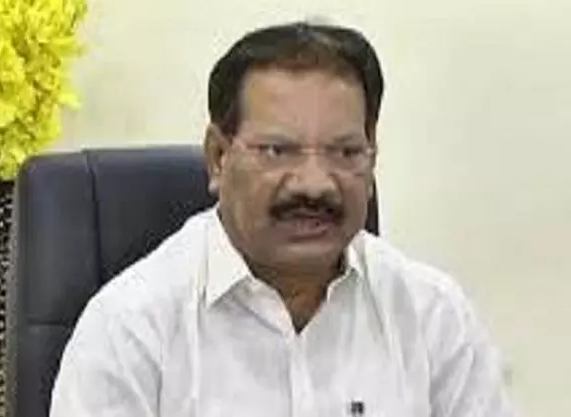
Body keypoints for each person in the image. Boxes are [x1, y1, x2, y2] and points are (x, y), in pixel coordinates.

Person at [50, 21, 515, 417]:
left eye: (345, 152)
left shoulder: (432, 315)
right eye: (278, 151)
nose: (314, 184)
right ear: (218, 157)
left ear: (372, 158)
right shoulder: (130, 329)